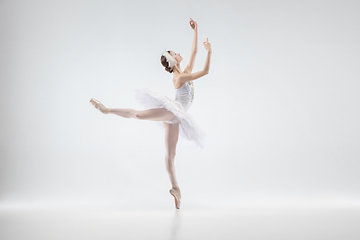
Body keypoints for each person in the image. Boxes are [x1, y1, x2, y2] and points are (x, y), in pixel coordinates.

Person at [90, 18, 212, 209]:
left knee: (170, 155)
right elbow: (205, 71)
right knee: (139, 115)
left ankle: (176, 189)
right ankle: (107, 110)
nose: (180, 53)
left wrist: (196, 31)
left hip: (175, 118)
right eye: (175, 53)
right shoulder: (179, 77)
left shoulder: (184, 71)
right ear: (172, 60)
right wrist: (210, 52)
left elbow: (194, 52)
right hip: (173, 112)